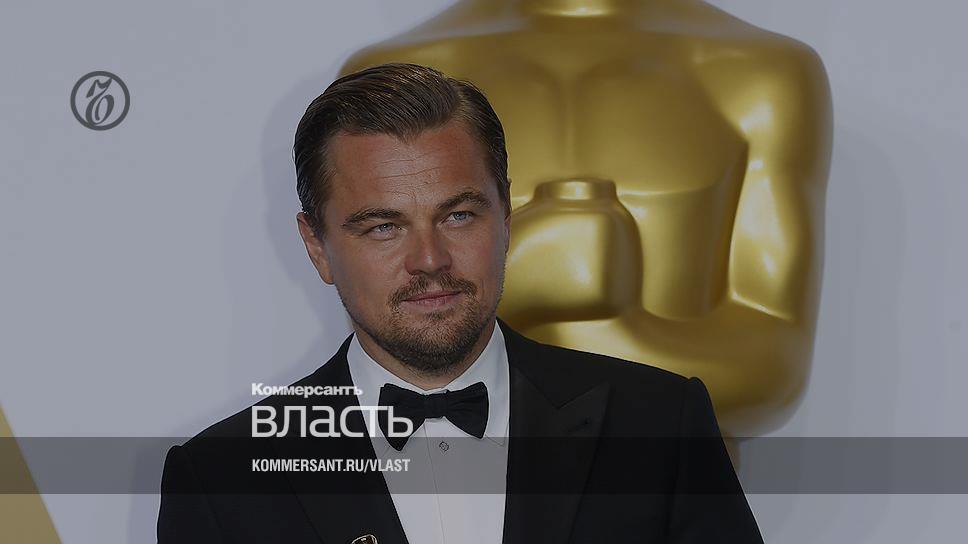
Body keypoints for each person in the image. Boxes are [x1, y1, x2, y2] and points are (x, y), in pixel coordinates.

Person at [158, 62, 763, 544]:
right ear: (317, 247)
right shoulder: (221, 479)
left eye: (459, 216)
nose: (429, 260)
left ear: (506, 220)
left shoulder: (659, 426)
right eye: (383, 227)